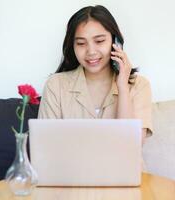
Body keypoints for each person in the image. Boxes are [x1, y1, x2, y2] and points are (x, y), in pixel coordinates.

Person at [38, 5, 153, 143]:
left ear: (116, 41)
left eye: (99, 41)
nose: (91, 51)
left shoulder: (139, 85)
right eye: (81, 43)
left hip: (123, 165)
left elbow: (131, 145)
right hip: (73, 165)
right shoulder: (55, 85)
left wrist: (122, 86)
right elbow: (45, 146)